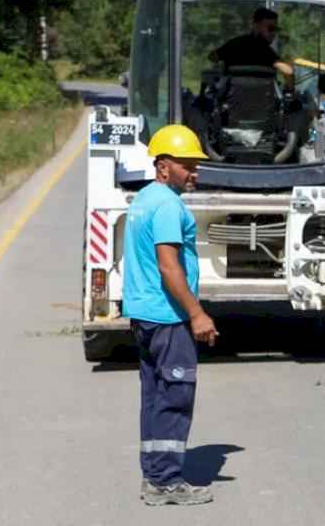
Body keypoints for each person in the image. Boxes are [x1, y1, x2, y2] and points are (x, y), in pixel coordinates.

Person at [122, 124, 219, 506]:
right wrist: (196, 314)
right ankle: (165, 483)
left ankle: (154, 474)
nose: (195, 172)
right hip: (167, 318)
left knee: (155, 396)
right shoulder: (166, 206)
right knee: (175, 398)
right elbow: (169, 267)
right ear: (163, 166)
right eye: (187, 165)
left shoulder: (144, 199)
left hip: (145, 316)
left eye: (196, 164)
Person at [209, 6, 294, 83]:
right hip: (263, 99)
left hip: (231, 99)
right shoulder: (267, 52)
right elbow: (287, 71)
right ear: (255, 26)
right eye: (270, 28)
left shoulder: (234, 44)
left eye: (275, 29)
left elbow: (212, 57)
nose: (273, 33)